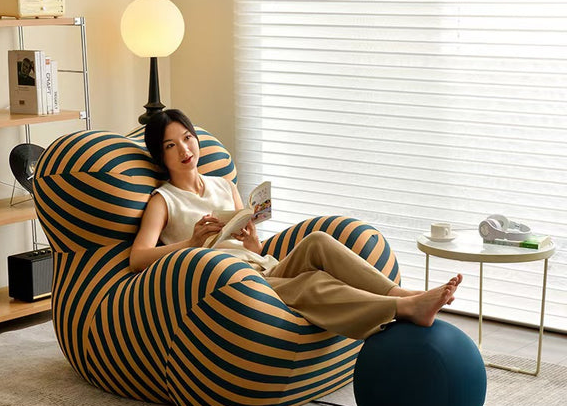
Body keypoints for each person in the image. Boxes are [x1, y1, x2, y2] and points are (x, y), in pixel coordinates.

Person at [130, 109, 462, 340]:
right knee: (312, 282)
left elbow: (255, 250)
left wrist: (250, 238)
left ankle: (403, 293)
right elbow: (138, 258)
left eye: (187, 138)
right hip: (230, 285)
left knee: (318, 240)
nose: (184, 149)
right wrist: (191, 243)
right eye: (171, 145)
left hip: (261, 267)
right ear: (161, 156)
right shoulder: (164, 200)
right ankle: (404, 308)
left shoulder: (225, 185)